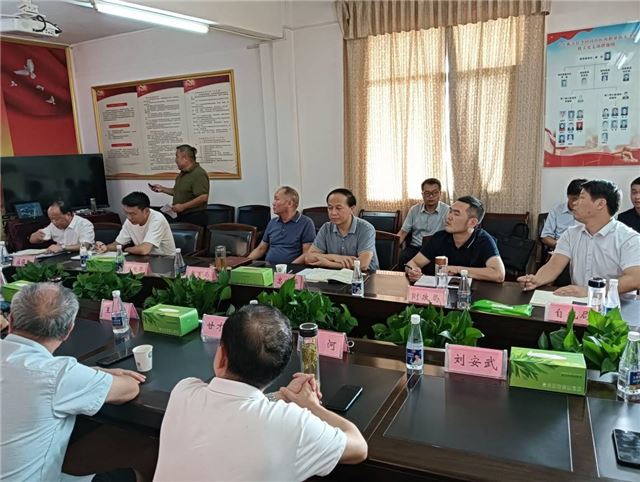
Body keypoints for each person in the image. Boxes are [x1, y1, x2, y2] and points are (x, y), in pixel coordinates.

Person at [153, 304, 368, 481]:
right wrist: (311, 406)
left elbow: (234, 404)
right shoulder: (293, 424)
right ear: (280, 369)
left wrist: (282, 396)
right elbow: (359, 447)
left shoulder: (184, 391)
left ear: (222, 357)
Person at [0, 283, 149, 482]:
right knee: (135, 474)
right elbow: (129, 389)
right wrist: (95, 375)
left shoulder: (56, 374)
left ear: (10, 320)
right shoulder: (58, 375)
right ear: (68, 330)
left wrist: (89, 374)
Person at [518, 180, 640, 297]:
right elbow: (553, 266)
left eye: (581, 198)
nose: (574, 203)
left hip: (617, 306)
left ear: (600, 204)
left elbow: (635, 278)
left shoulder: (628, 238)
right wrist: (536, 280)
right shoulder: (571, 234)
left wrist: (591, 291)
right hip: (578, 302)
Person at [405, 196, 505, 283]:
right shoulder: (440, 237)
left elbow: (499, 274)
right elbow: (412, 263)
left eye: (456, 214)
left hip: (473, 293)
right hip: (441, 292)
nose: (449, 217)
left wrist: (457, 269)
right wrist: (412, 271)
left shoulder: (484, 240)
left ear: (472, 222)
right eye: (450, 211)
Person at [305, 188, 379, 271]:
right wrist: (334, 257)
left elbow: (363, 264)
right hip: (334, 275)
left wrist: (329, 264)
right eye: (330, 208)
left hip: (365, 275)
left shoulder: (366, 229)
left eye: (338, 208)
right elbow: (309, 258)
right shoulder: (326, 228)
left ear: (352, 209)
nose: (333, 213)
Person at [247, 186, 316, 265]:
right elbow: (261, 249)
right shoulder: (272, 222)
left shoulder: (306, 223)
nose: (273, 203)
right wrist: (244, 262)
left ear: (289, 203)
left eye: (277, 199)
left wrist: (288, 267)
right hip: (268, 267)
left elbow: (306, 254)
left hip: (292, 268)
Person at [95, 192, 176, 256]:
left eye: (132, 214)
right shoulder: (129, 221)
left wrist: (125, 249)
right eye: (126, 213)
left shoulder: (157, 219)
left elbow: (144, 250)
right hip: (145, 259)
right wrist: (106, 247)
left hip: (166, 260)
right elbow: (118, 244)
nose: (129, 217)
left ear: (146, 211)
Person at [149, 144, 210, 226]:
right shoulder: (183, 173)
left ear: (185, 158)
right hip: (181, 216)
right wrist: (162, 189)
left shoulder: (199, 173)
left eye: (177, 157)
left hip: (194, 218)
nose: (176, 160)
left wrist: (183, 206)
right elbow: (177, 192)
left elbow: (203, 197)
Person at [397, 178, 450, 267]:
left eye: (435, 193)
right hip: (415, 248)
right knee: (402, 259)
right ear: (422, 194)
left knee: (435, 266)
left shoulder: (447, 210)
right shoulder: (414, 210)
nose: (431, 196)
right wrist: (393, 249)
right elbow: (403, 232)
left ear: (440, 194)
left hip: (437, 249)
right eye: (427, 193)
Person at [28, 200, 95, 252]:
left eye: (57, 219)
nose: (54, 222)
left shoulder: (84, 224)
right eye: (51, 219)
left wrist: (62, 248)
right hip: (62, 257)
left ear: (68, 215)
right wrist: (36, 236)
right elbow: (32, 240)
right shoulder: (53, 225)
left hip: (81, 256)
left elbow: (85, 245)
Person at [540, 178, 586, 249]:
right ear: (568, 196)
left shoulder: (590, 211)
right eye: (574, 199)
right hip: (560, 247)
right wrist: (562, 246)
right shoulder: (556, 210)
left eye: (580, 199)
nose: (576, 202)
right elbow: (545, 237)